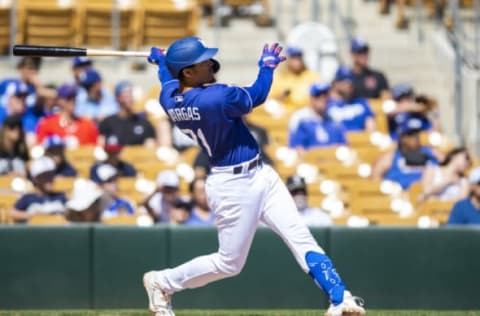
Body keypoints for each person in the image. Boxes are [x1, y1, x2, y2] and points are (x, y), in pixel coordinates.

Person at [142, 37, 365, 316]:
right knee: (229, 264)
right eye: (203, 61)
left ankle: (340, 298)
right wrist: (267, 67)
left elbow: (167, 82)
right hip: (232, 185)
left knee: (301, 237)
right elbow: (256, 95)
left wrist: (162, 64)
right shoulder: (215, 97)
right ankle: (162, 282)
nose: (211, 63)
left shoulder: (169, 97)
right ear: (187, 72)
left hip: (261, 174)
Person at [372, 117, 439, 190]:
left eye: (416, 133)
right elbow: (375, 179)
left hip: (427, 194)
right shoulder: (391, 157)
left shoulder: (431, 153)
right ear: (402, 137)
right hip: (399, 196)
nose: (415, 137)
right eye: (410, 134)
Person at [288, 83, 347, 151]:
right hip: (308, 160)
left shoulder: (334, 120)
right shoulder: (300, 118)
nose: (322, 98)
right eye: (318, 95)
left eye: (325, 95)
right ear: (311, 98)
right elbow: (297, 148)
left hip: (332, 160)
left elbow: (343, 146)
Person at [9, 156, 67, 223]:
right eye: (45, 176)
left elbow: (70, 213)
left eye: (51, 175)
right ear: (35, 179)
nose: (49, 180)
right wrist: (32, 215)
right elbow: (12, 213)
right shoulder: (28, 198)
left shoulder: (60, 196)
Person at [99, 81, 156, 146]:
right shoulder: (107, 123)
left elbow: (150, 147)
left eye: (131, 94)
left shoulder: (143, 123)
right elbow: (101, 147)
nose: (130, 97)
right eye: (126, 94)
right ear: (118, 97)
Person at [327, 66, 376, 132]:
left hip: (360, 140)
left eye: (351, 80)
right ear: (335, 83)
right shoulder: (326, 105)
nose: (349, 84)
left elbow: (371, 129)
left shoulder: (361, 103)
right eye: (344, 80)